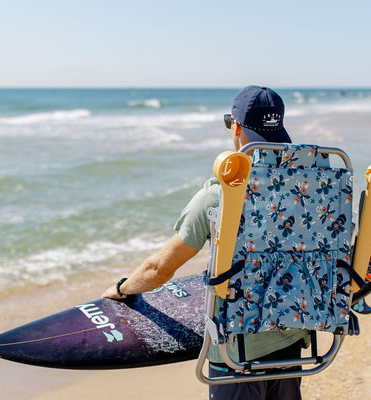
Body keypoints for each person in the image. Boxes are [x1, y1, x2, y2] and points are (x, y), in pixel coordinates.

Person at [102, 85, 307, 400]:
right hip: (290, 337)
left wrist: (121, 289)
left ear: (235, 126)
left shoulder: (220, 194)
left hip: (238, 349)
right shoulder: (306, 186)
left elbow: (158, 268)